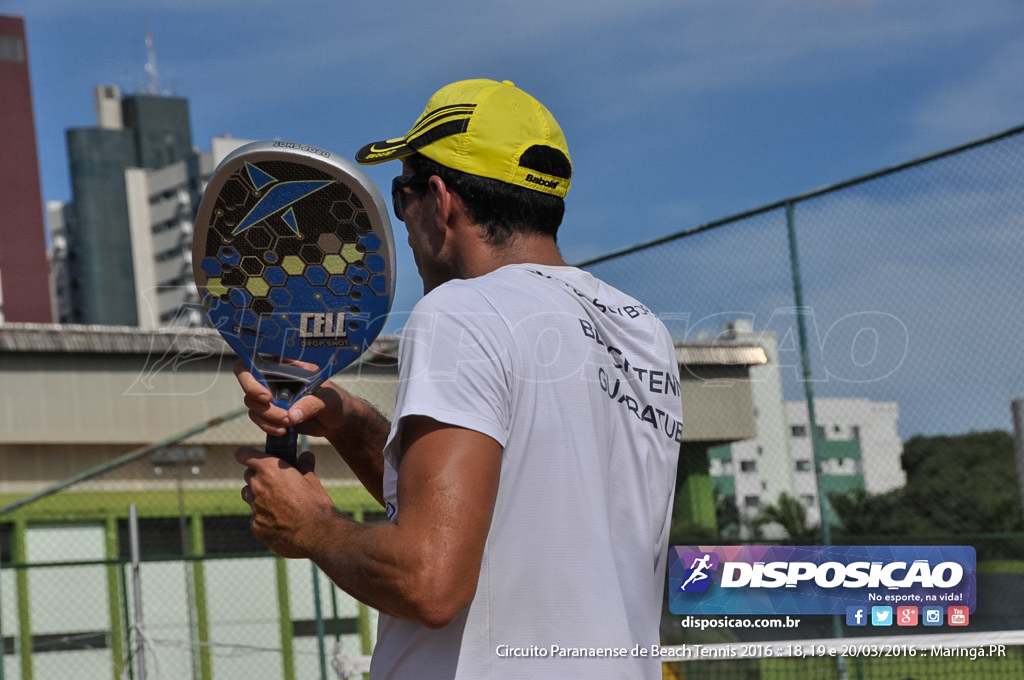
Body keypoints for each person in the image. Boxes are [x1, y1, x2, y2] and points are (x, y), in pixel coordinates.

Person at [235, 78, 683, 679]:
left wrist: (311, 525)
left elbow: (429, 582)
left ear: (439, 198)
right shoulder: (641, 332)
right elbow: (491, 521)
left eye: (403, 195)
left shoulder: (461, 311)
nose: (404, 221)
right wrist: (349, 420)